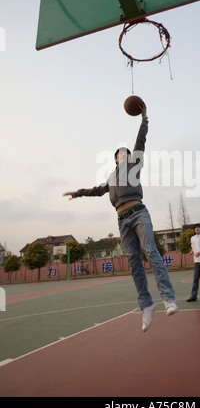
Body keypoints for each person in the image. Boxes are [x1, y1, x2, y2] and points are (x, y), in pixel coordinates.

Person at [63, 101, 178, 332]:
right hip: (122, 220)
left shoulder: (135, 164)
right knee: (134, 263)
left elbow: (141, 142)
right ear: (116, 159)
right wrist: (77, 193)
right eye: (120, 154)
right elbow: (96, 190)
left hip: (138, 213)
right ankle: (146, 305)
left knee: (151, 252)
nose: (124, 154)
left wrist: (144, 120)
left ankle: (168, 297)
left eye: (127, 152)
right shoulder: (110, 178)